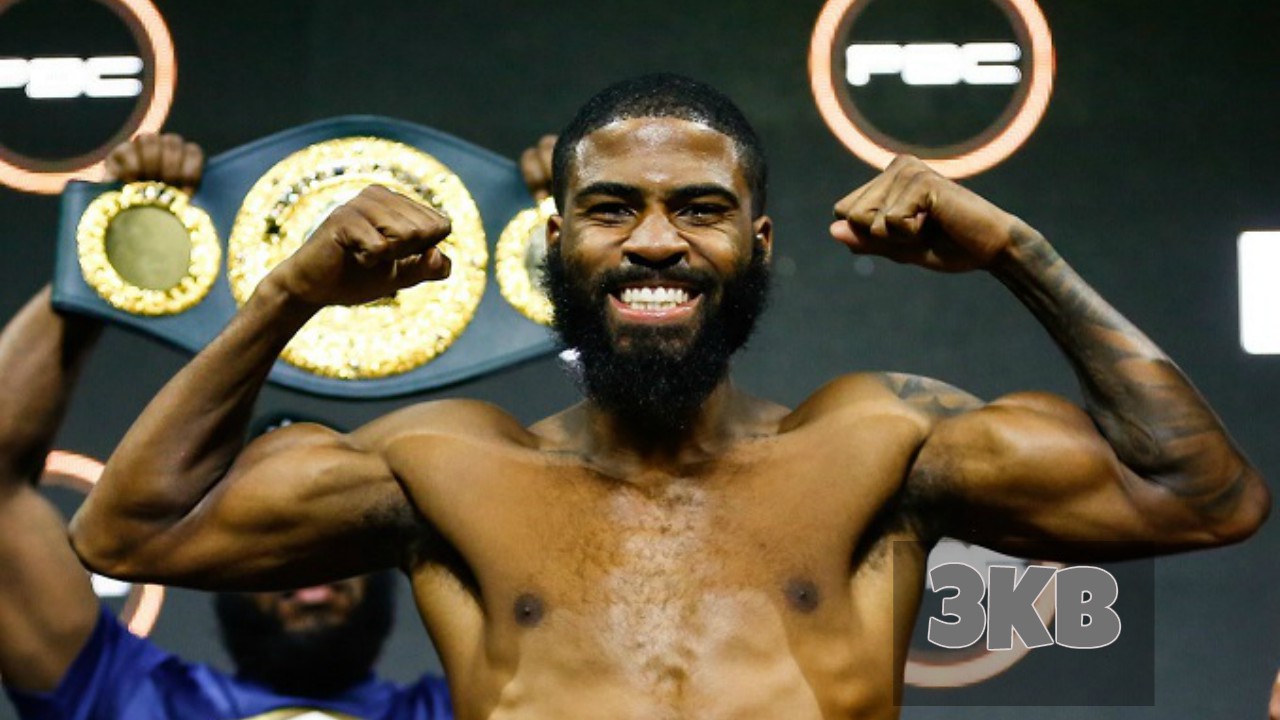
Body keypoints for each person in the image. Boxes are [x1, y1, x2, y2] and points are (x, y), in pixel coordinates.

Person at [71, 74, 1269, 718]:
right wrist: (287, 290)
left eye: (697, 209)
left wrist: (1018, 250)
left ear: (755, 243)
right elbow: (132, 532)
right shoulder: (448, 466)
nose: (654, 241)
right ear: (555, 243)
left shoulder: (878, 444)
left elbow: (1198, 497)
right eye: (611, 210)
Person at [0, 135, 451, 719]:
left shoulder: (478, 705)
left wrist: (560, 239)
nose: (303, 560)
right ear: (213, 555)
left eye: (328, 525)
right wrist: (112, 240)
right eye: (268, 524)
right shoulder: (126, 699)